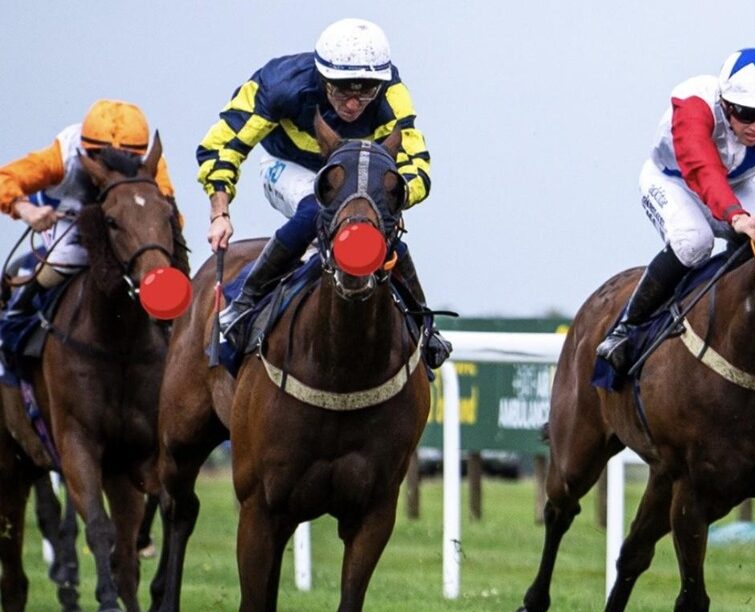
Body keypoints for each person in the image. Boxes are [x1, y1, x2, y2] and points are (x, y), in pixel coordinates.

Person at [197, 17, 451, 367]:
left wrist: (393, 201)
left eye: (366, 91)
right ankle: (242, 304)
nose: (353, 104)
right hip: (288, 166)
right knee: (315, 211)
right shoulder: (280, 84)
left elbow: (415, 163)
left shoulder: (392, 95)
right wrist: (220, 211)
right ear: (322, 78)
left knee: (382, 229)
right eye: (342, 90)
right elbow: (223, 143)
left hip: (356, 176)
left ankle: (424, 325)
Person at [597, 47, 755, 372]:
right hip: (674, 181)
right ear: (725, 103)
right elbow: (702, 168)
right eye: (746, 113)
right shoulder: (694, 103)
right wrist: (736, 216)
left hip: (734, 184)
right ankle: (627, 327)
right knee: (694, 241)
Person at [0, 99, 180, 316]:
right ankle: (17, 308)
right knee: (71, 256)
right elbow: (5, 178)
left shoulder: (150, 161)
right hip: (66, 210)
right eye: (101, 156)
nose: (115, 167)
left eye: (129, 158)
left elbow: (166, 211)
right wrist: (26, 209)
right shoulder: (63, 154)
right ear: (86, 148)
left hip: (124, 215)